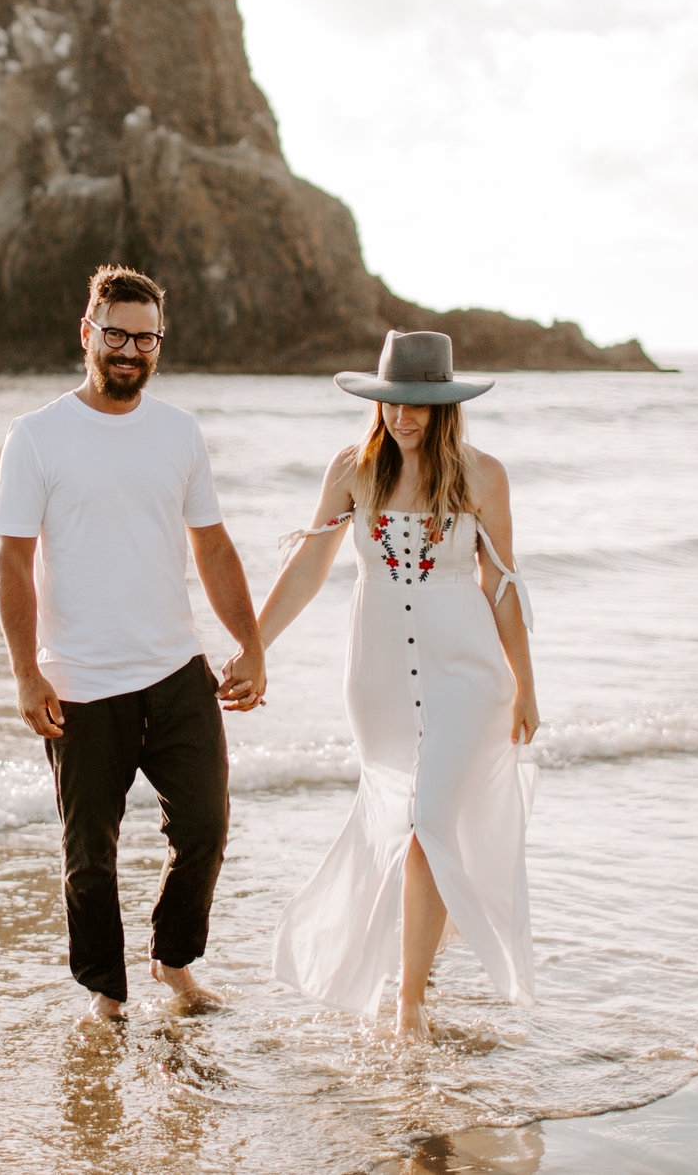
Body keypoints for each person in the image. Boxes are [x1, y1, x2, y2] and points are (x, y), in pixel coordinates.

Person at [0, 264, 266, 1022]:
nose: (130, 350)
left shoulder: (179, 431)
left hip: (177, 669)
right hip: (80, 680)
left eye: (147, 338)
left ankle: (173, 960)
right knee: (90, 857)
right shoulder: (37, 436)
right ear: (88, 332)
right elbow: (12, 560)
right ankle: (107, 996)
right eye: (116, 333)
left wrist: (251, 642)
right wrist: (25, 673)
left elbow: (211, 545)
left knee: (206, 825)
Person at [257, 330, 540, 1042]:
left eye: (418, 403)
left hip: (468, 673)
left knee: (433, 821)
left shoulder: (483, 476)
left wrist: (525, 683)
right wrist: (252, 643)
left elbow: (500, 587)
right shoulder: (352, 472)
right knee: (401, 821)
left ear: (444, 404)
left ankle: (408, 1001)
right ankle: (414, 961)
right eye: (391, 402)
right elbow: (309, 568)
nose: (403, 416)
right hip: (379, 674)